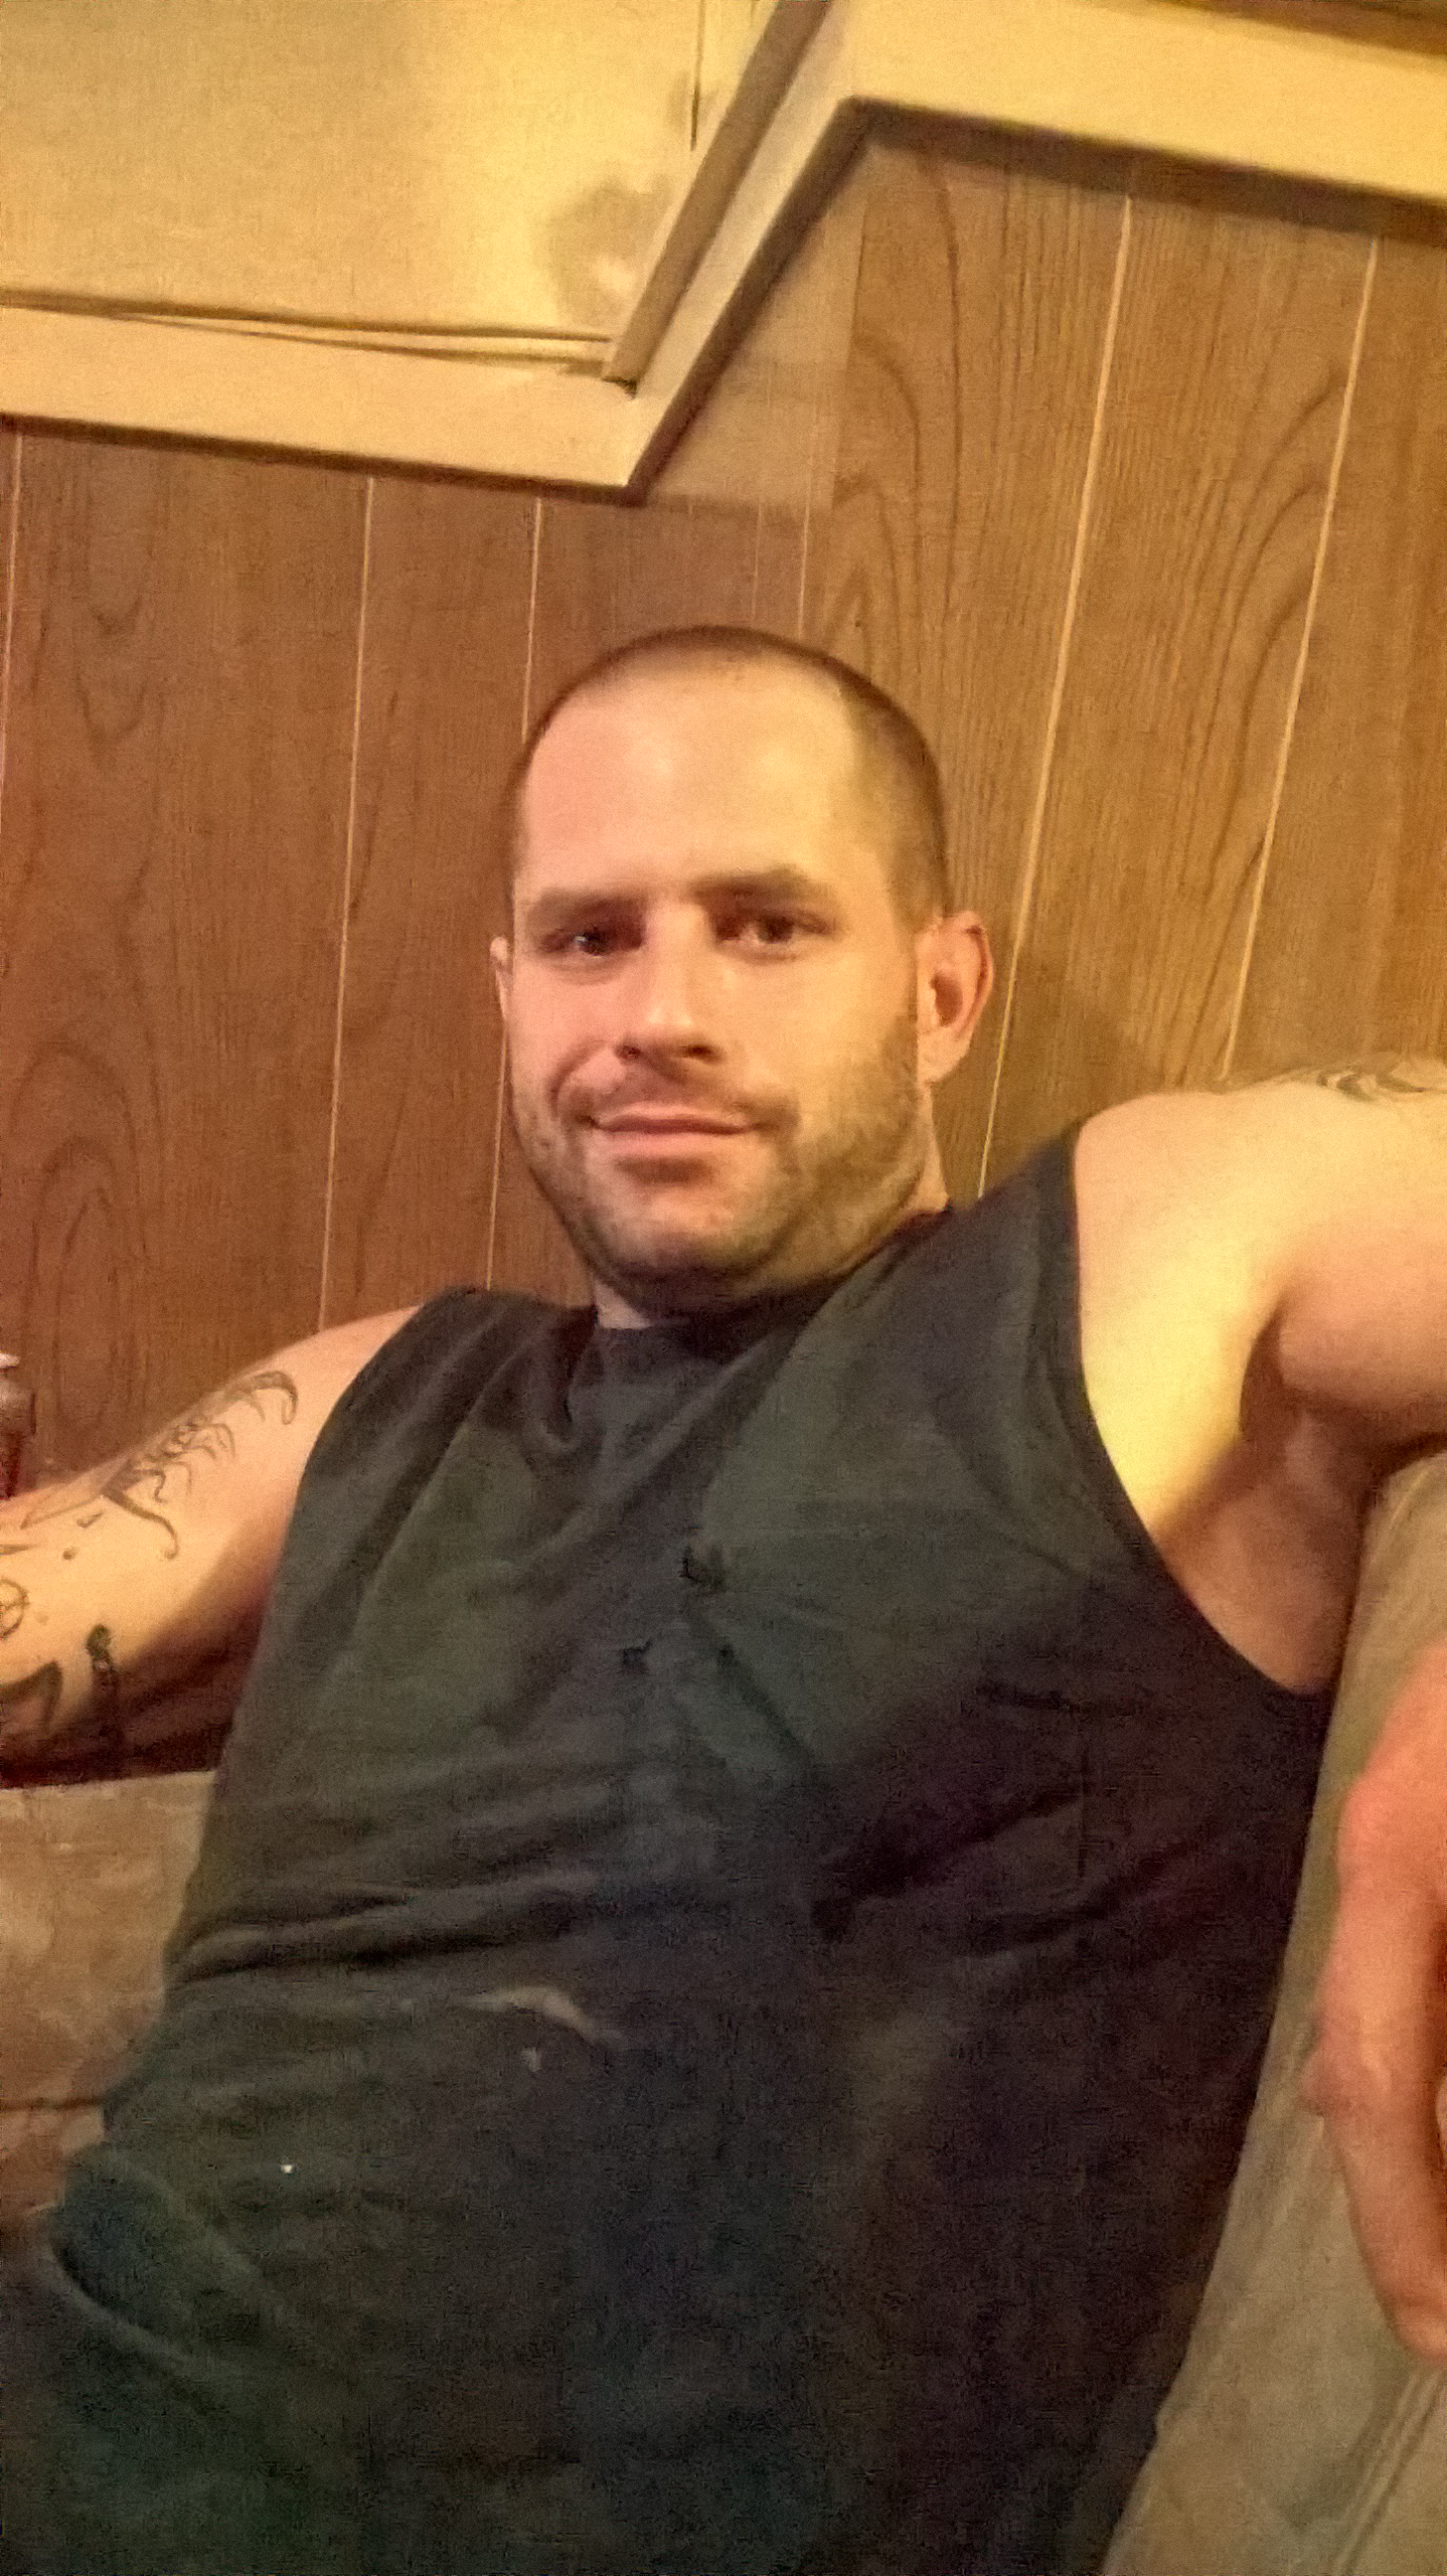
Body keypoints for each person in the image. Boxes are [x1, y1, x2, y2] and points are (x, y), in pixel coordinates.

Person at [2, 626, 1446, 2576]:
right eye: (588, 938)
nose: (660, 1012)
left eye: (765, 926)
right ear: (509, 996)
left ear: (941, 991)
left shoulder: (1141, 1264)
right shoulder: (383, 1395)